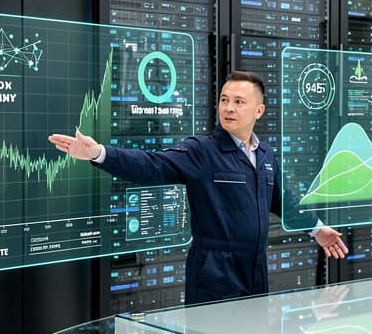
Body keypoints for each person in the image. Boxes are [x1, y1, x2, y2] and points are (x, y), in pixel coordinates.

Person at [49, 71, 347, 304]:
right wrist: (99, 153)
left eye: (239, 102)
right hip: (214, 274)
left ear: (259, 110)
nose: (228, 108)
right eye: (224, 100)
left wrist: (317, 229)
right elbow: (153, 165)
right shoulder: (202, 151)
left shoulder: (265, 155)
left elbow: (284, 202)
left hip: (255, 269)